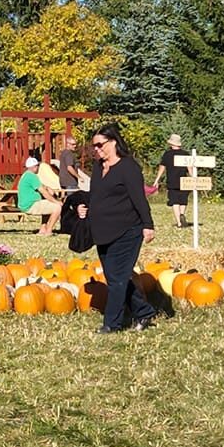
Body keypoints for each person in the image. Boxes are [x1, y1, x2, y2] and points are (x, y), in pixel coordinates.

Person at [75, 121, 157, 333]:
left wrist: (148, 225)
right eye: (94, 146)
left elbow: (139, 199)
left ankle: (111, 324)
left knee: (118, 280)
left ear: (113, 142)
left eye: (100, 145)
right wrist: (85, 208)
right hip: (102, 232)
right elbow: (96, 196)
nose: (96, 149)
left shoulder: (128, 167)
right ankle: (144, 312)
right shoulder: (98, 167)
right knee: (115, 278)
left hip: (128, 231)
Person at [16, 151, 63, 236]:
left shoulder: (26, 175)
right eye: (38, 166)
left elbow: (41, 186)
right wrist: (56, 201)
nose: (38, 168)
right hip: (30, 205)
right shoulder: (32, 176)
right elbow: (43, 192)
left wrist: (48, 188)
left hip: (26, 204)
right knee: (57, 208)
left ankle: (43, 229)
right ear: (34, 167)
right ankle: (49, 231)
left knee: (46, 203)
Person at [154, 133, 189, 227]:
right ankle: (182, 214)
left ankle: (179, 222)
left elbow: (162, 168)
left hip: (172, 180)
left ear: (171, 144)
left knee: (174, 201)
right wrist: (194, 178)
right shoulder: (185, 154)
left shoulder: (167, 154)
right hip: (184, 180)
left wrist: (157, 180)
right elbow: (190, 168)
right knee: (183, 200)